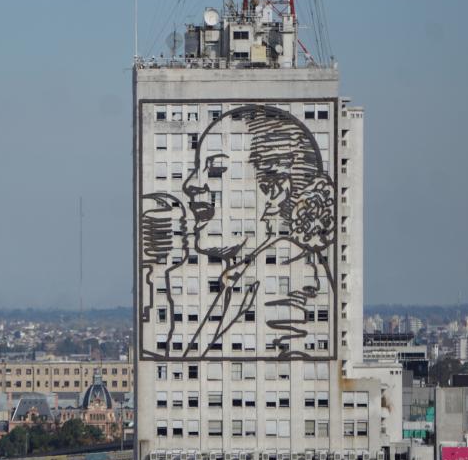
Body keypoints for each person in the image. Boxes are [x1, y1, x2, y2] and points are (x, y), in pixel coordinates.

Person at [142, 103, 335, 359]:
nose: (191, 184)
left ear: (276, 190)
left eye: (215, 170)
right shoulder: (243, 273)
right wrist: (161, 276)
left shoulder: (290, 289)